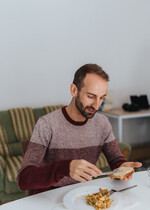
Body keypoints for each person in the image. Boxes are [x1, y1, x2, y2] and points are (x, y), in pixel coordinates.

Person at [17, 64, 142, 194]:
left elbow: (116, 160)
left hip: (84, 196)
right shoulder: (47, 124)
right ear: (74, 90)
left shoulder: (102, 123)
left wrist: (122, 167)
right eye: (91, 96)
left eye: (101, 98)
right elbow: (23, 178)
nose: (96, 105)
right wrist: (65, 168)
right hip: (50, 199)